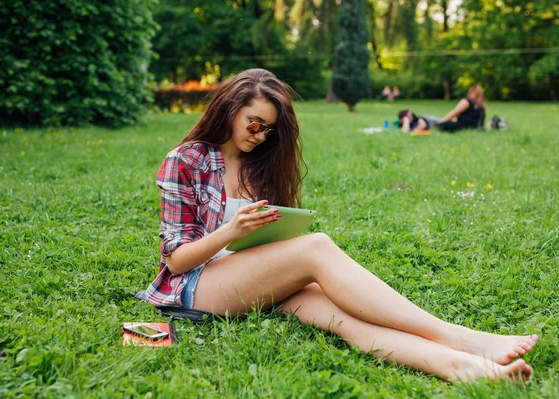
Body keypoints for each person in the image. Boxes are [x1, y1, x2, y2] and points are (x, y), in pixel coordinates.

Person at [145, 68, 537, 382]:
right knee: (315, 247)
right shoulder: (186, 160)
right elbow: (177, 262)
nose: (260, 136)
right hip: (195, 288)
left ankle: (462, 367)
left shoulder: (259, 165)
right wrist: (231, 231)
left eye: (268, 130)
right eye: (253, 124)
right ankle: (458, 336)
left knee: (343, 318)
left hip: (251, 279)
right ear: (230, 108)